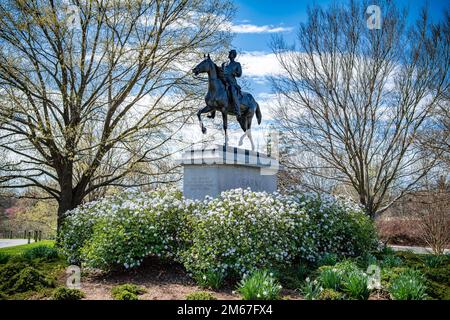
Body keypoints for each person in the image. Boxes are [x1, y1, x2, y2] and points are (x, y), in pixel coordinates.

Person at [222, 50, 242, 118]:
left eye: (230, 53)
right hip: (224, 82)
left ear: (233, 55)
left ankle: (238, 110)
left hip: (232, 83)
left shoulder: (237, 64)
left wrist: (234, 73)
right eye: (229, 53)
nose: (229, 54)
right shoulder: (225, 64)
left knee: (233, 92)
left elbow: (239, 74)